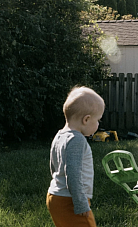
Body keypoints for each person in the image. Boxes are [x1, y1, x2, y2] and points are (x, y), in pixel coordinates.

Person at [46, 86, 105, 227]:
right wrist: (81, 203)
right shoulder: (76, 139)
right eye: (98, 121)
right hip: (70, 201)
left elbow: (53, 165)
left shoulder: (60, 135)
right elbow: (72, 173)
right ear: (86, 119)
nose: (98, 125)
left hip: (54, 197)